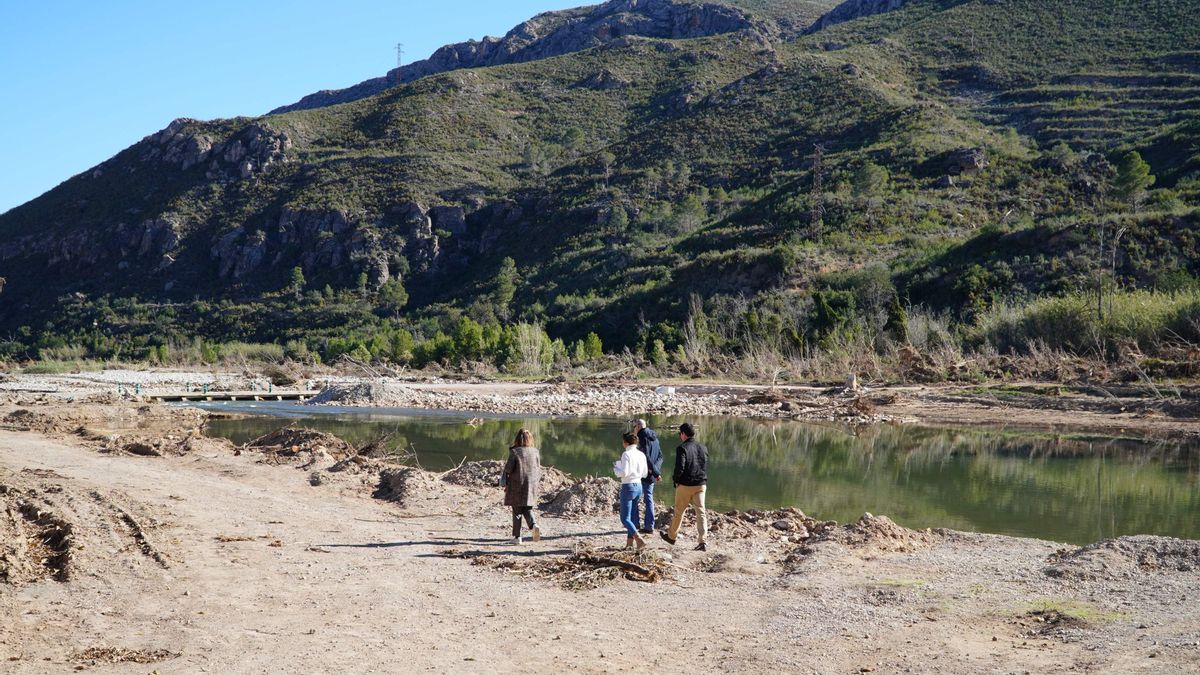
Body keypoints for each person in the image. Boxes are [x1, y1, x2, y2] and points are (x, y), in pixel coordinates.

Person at [660, 422, 708, 551]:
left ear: (683, 434)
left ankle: (671, 536)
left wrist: (676, 480)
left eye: (680, 433)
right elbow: (703, 465)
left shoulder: (682, 448)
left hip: (686, 485)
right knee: (701, 513)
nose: (679, 436)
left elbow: (679, 468)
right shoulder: (703, 447)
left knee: (679, 512)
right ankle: (703, 541)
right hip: (701, 484)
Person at [503, 428, 542, 544]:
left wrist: (504, 481)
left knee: (517, 510)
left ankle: (517, 537)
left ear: (517, 439)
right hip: (531, 483)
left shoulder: (515, 452)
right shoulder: (535, 451)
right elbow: (538, 467)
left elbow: (509, 469)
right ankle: (533, 525)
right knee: (527, 507)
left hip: (516, 484)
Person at [613, 431, 648, 550]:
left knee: (625, 519)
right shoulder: (641, 454)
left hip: (628, 486)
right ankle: (629, 544)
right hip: (639, 486)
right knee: (632, 517)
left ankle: (639, 539)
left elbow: (624, 472)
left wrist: (616, 470)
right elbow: (645, 473)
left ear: (626, 442)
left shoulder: (626, 454)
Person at [629, 418, 663, 534]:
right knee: (648, 498)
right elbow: (660, 456)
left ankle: (635, 523)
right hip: (652, 473)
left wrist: (654, 471)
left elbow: (646, 456)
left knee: (635, 498)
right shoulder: (655, 438)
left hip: (642, 473)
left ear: (638, 427)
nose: (634, 430)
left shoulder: (641, 437)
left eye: (634, 427)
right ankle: (649, 525)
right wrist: (656, 471)